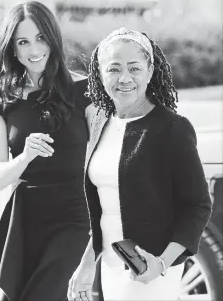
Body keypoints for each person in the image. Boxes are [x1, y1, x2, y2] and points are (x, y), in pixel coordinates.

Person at [68, 27, 212, 301]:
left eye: (134, 68)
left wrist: (161, 264)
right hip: (112, 265)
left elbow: (197, 205)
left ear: (150, 71)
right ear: (99, 73)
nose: (124, 78)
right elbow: (104, 208)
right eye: (114, 69)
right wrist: (88, 262)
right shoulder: (100, 123)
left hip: (153, 267)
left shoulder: (172, 129)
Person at [0, 1, 93, 301]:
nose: (34, 49)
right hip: (26, 220)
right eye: (23, 41)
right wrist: (25, 156)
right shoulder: (1, 96)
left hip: (75, 218)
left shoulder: (86, 91)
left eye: (41, 37)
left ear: (53, 39)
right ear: (12, 48)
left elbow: (103, 162)